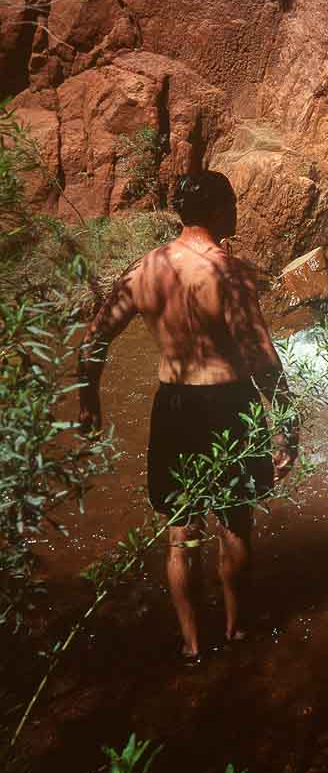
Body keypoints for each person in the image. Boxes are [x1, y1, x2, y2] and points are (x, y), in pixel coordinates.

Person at [78, 170, 298, 663]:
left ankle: (192, 645)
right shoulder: (231, 272)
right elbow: (261, 357)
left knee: (181, 532)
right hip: (229, 401)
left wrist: (89, 401)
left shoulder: (146, 269)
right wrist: (287, 423)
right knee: (235, 523)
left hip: (173, 404)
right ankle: (238, 631)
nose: (237, 214)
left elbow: (94, 338)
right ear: (219, 211)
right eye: (234, 205)